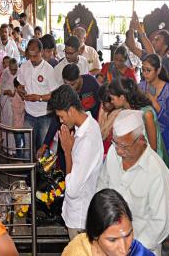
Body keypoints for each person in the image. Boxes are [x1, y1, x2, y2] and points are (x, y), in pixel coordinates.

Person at [97, 109, 169, 255]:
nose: (119, 151)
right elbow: (102, 186)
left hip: (141, 249)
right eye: (115, 143)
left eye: (124, 146)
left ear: (141, 139)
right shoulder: (114, 154)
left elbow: (160, 224)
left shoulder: (156, 172)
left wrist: (130, 248)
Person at [48, 85, 103, 240]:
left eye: (61, 116)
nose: (61, 120)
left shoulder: (87, 140)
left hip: (80, 217)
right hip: (77, 212)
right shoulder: (88, 125)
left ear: (71, 110)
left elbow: (72, 190)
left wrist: (67, 152)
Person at [40, 64, 101, 166]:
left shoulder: (92, 84)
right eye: (66, 83)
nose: (69, 87)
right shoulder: (65, 92)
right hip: (67, 131)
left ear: (79, 78)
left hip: (86, 130)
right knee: (64, 162)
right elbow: (57, 119)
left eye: (72, 84)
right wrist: (46, 143)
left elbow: (99, 108)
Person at [62, 189, 154, 256]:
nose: (124, 250)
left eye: (128, 235)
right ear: (95, 234)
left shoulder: (139, 253)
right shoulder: (77, 252)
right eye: (113, 240)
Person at [108, 77, 169, 166]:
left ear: (122, 97)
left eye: (112, 98)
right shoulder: (124, 111)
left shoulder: (146, 113)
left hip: (150, 160)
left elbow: (153, 147)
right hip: (136, 157)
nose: (111, 102)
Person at [17, 38, 58, 153]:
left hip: (44, 115)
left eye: (35, 56)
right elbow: (20, 84)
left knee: (42, 148)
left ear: (41, 52)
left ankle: (42, 171)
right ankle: (29, 169)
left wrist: (39, 98)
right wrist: (20, 91)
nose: (32, 59)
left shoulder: (48, 70)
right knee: (27, 148)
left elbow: (54, 95)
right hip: (29, 114)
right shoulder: (24, 66)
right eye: (30, 56)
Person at [138, 53, 169, 165]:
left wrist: (156, 105)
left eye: (148, 70)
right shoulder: (140, 87)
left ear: (158, 71)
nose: (145, 74)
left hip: (164, 139)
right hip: (145, 136)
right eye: (143, 70)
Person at [127, 12, 169, 76]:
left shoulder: (167, 62)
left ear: (165, 46)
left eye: (157, 40)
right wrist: (131, 28)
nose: (153, 42)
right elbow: (132, 46)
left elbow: (154, 57)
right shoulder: (147, 54)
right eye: (154, 39)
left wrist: (140, 30)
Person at [98, 83, 122, 157]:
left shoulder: (120, 116)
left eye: (104, 103)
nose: (102, 106)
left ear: (112, 101)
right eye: (101, 102)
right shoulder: (104, 109)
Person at [12, 77, 25, 155]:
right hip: (17, 126)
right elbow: (19, 111)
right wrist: (26, 102)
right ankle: (19, 157)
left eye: (23, 87)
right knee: (18, 144)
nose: (22, 89)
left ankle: (24, 156)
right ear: (16, 88)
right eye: (20, 87)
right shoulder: (15, 99)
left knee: (25, 142)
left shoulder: (22, 96)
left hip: (24, 125)